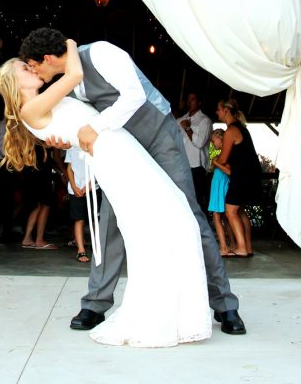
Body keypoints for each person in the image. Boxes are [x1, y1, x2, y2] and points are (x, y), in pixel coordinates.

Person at [18, 27, 245, 337]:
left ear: (45, 59)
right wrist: (63, 141)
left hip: (158, 138)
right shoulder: (68, 86)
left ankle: (225, 303)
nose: (33, 71)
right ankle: (95, 303)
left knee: (188, 213)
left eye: (33, 65)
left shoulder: (101, 53)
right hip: (121, 155)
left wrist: (94, 126)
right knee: (108, 221)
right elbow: (74, 128)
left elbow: (134, 96)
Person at [215, 98, 262, 258]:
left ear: (226, 111)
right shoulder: (241, 128)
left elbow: (223, 159)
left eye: (219, 110)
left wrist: (215, 160)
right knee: (239, 211)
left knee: (230, 211)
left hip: (241, 176)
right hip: (249, 175)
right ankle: (247, 248)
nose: (217, 112)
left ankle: (241, 247)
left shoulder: (231, 131)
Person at [178, 92, 212, 212]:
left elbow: (200, 143)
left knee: (196, 202)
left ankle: (199, 229)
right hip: (182, 166)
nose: (189, 102)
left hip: (196, 166)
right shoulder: (180, 120)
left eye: (192, 99)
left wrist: (188, 128)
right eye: (188, 99)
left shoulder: (205, 121)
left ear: (199, 102)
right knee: (182, 200)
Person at [64, 145, 98, 262]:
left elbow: (99, 168)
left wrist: (88, 186)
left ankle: (97, 247)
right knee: (79, 219)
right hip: (76, 189)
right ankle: (81, 250)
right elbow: (69, 168)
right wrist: (73, 186)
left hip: (93, 188)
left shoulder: (95, 146)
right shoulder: (71, 147)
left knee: (96, 220)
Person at [207, 128, 232, 255]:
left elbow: (229, 172)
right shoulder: (220, 154)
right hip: (217, 186)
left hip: (221, 187)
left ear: (220, 138)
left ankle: (223, 247)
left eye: (213, 140)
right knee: (224, 217)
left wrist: (216, 163)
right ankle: (230, 244)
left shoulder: (225, 154)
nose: (212, 143)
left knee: (217, 216)